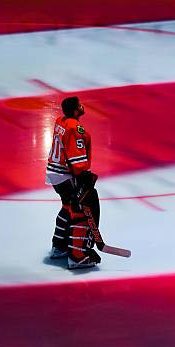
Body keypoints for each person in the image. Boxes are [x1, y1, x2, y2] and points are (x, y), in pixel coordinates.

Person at [45, 96, 101, 269]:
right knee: (82, 209)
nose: (82, 106)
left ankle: (59, 246)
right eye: (80, 105)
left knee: (68, 206)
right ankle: (77, 256)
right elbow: (77, 161)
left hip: (54, 172)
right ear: (76, 109)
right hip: (65, 175)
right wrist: (83, 175)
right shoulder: (75, 128)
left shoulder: (60, 121)